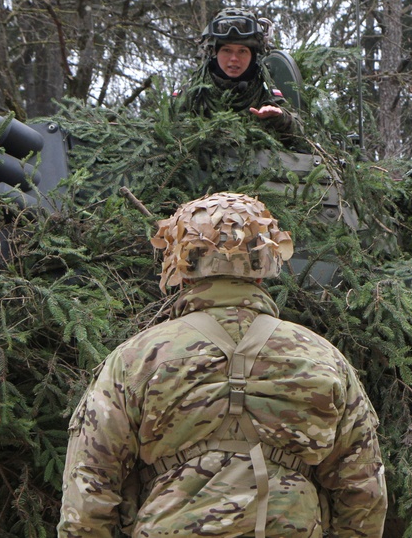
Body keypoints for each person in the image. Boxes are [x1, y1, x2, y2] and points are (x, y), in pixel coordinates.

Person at [58, 192, 387, 537]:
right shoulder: (323, 358)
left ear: (182, 270)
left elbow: (89, 484)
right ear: (263, 269)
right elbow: (362, 487)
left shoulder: (137, 358)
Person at [175, 8, 302, 146]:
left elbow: (300, 135)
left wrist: (279, 118)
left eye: (242, 51)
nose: (234, 58)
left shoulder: (264, 88)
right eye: (227, 50)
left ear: (253, 56)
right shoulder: (194, 92)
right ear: (214, 53)